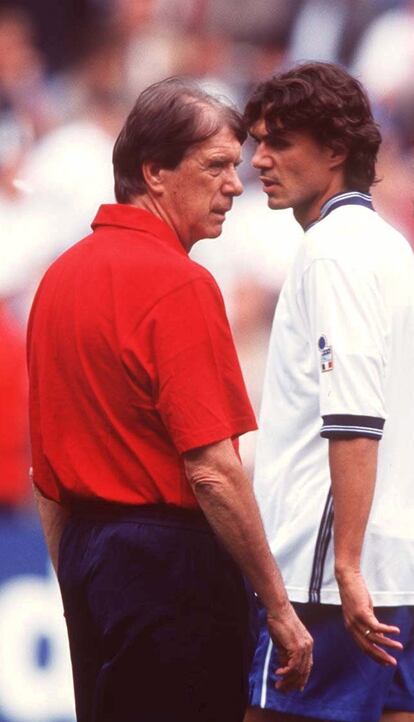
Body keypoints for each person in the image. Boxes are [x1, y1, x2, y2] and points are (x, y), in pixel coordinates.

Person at [27, 78, 312, 722]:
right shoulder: (181, 284)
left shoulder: (58, 278)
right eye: (215, 166)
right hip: (171, 567)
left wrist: (76, 582)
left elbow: (44, 474)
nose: (235, 186)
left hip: (89, 559)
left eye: (236, 167)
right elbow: (213, 468)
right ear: (154, 172)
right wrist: (277, 605)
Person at [244, 62, 414, 722]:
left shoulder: (334, 251)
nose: (260, 160)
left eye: (280, 142)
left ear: (337, 150)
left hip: (328, 570)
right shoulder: (391, 245)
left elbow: (355, 415)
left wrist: (343, 564)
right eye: (258, 142)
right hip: (392, 563)